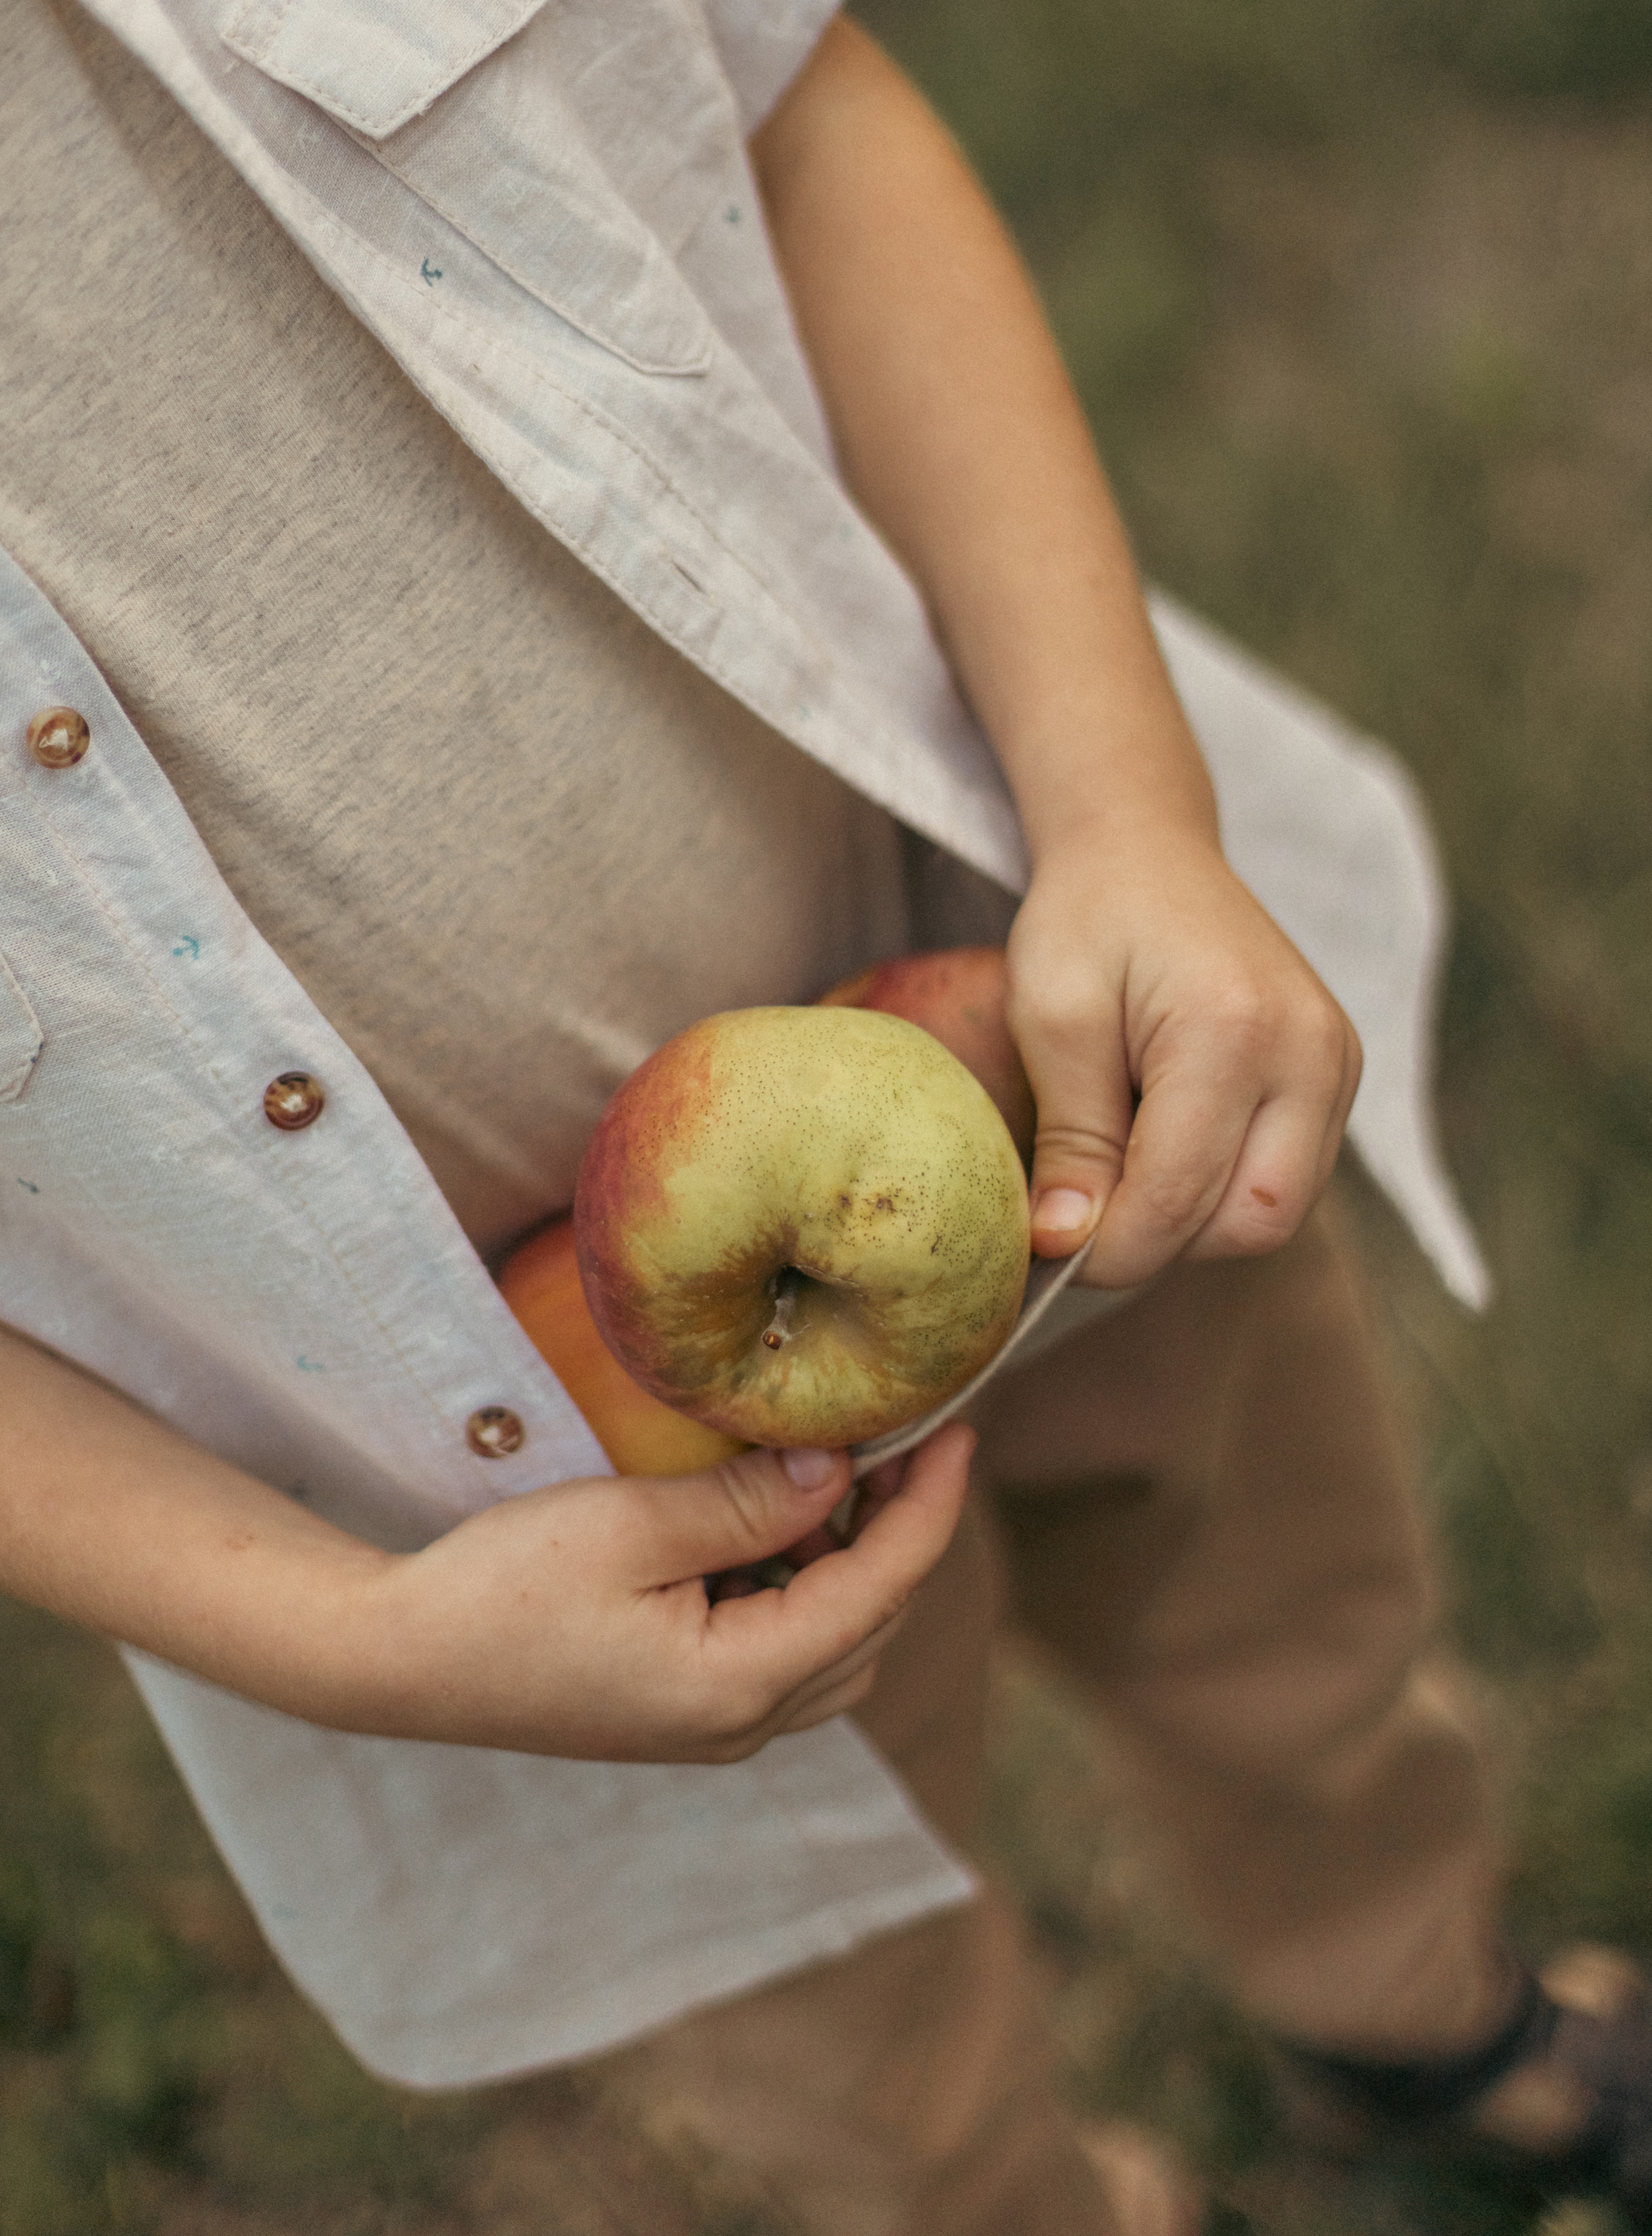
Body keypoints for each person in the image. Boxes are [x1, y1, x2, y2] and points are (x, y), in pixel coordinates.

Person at [1, 1, 1648, 2228]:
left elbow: (793, 107)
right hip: (500, 1504)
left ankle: (1410, 2009)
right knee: (852, 2040)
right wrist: (350, 1641)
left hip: (1023, 1028)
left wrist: (1130, 813)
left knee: (1295, 1614)